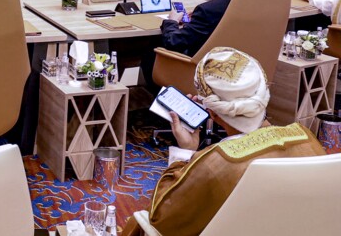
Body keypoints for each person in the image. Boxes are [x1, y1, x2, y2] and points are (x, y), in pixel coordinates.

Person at [121, 48, 325, 236]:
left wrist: (186, 153)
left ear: (212, 113)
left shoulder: (214, 164)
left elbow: (162, 219)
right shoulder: (307, 139)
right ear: (264, 95)